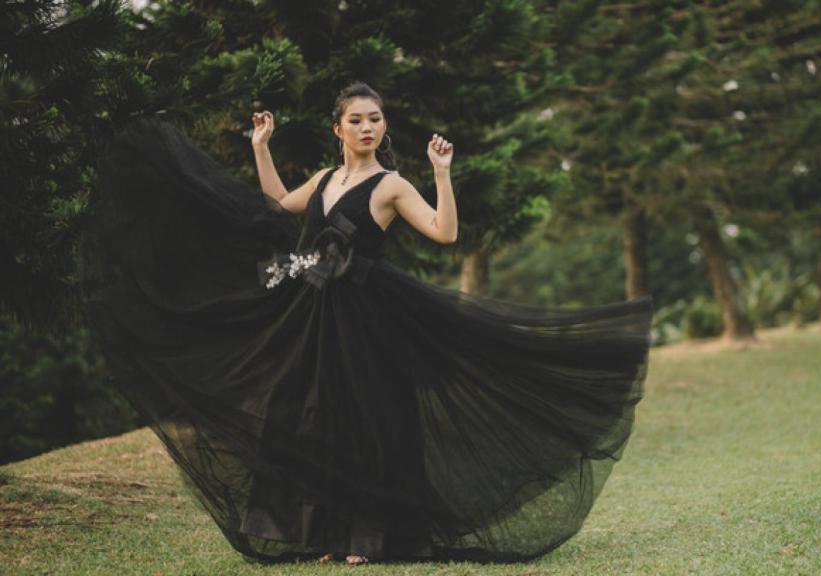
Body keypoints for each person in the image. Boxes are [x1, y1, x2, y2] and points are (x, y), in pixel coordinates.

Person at [78, 81, 654, 566]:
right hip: (313, 317)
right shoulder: (325, 179)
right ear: (339, 129)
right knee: (314, 417)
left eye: (375, 119)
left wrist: (442, 173)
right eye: (356, 120)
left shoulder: (392, 184)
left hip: (368, 317)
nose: (367, 127)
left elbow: (445, 232)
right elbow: (276, 204)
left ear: (383, 127)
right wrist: (261, 147)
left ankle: (372, 538)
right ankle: (328, 532)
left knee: (371, 417)